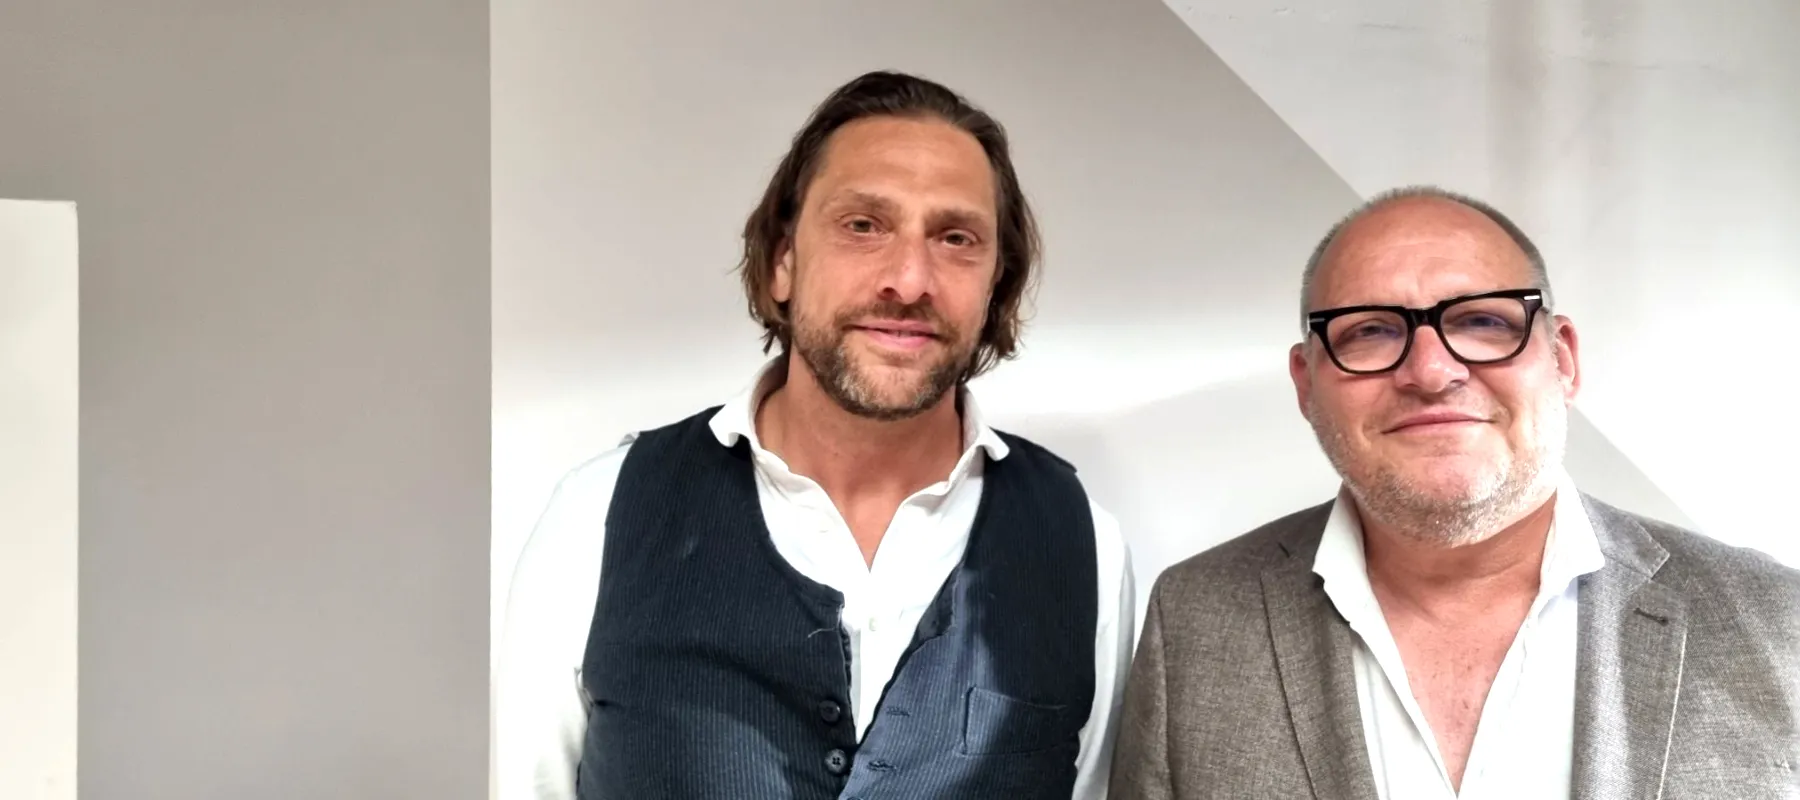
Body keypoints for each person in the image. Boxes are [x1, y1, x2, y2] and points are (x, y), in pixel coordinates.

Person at [495, 70, 1135, 800]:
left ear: (995, 288)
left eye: (956, 238)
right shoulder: (595, 517)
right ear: (782, 261)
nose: (909, 280)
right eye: (863, 225)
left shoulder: (1085, 545)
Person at [1108, 186, 1800, 799]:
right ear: (1305, 383)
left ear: (1562, 358)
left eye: (1483, 322)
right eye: (1370, 331)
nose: (1432, 372)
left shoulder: (1775, 620)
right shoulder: (1195, 621)